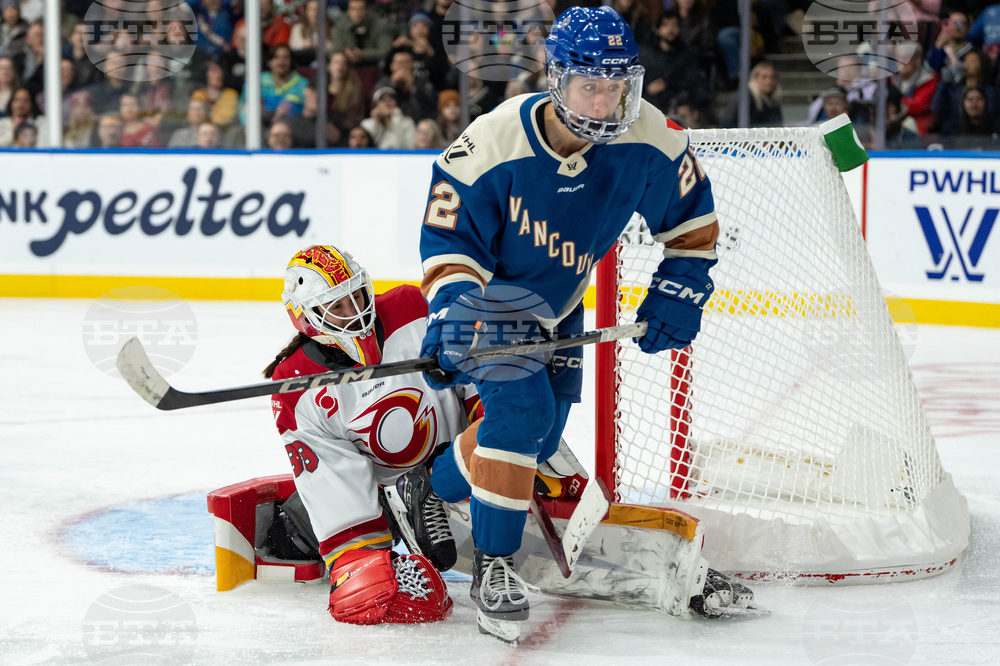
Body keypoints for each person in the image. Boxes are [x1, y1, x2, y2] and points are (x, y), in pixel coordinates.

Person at [411, 5, 745, 642]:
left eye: (615, 86)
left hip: (561, 306)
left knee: (537, 442)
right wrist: (456, 312)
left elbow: (693, 224)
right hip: (493, 301)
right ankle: (494, 565)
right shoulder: (491, 143)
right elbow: (449, 242)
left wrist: (680, 291)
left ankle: (430, 485)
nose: (602, 101)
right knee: (522, 417)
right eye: (588, 85)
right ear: (555, 79)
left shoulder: (650, 138)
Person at [264, 245, 467, 625]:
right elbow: (329, 474)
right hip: (380, 495)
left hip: (458, 465)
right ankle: (395, 504)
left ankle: (436, 483)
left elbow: (476, 378)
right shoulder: (296, 383)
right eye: (337, 306)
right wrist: (360, 558)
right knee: (297, 544)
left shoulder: (412, 307)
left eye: (356, 296)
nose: (355, 312)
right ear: (307, 317)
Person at [191, 61, 240, 127]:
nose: (219, 74)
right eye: (214, 70)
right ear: (206, 74)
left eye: (221, 71)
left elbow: (227, 121)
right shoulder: (198, 94)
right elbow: (194, 120)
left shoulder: (231, 95)